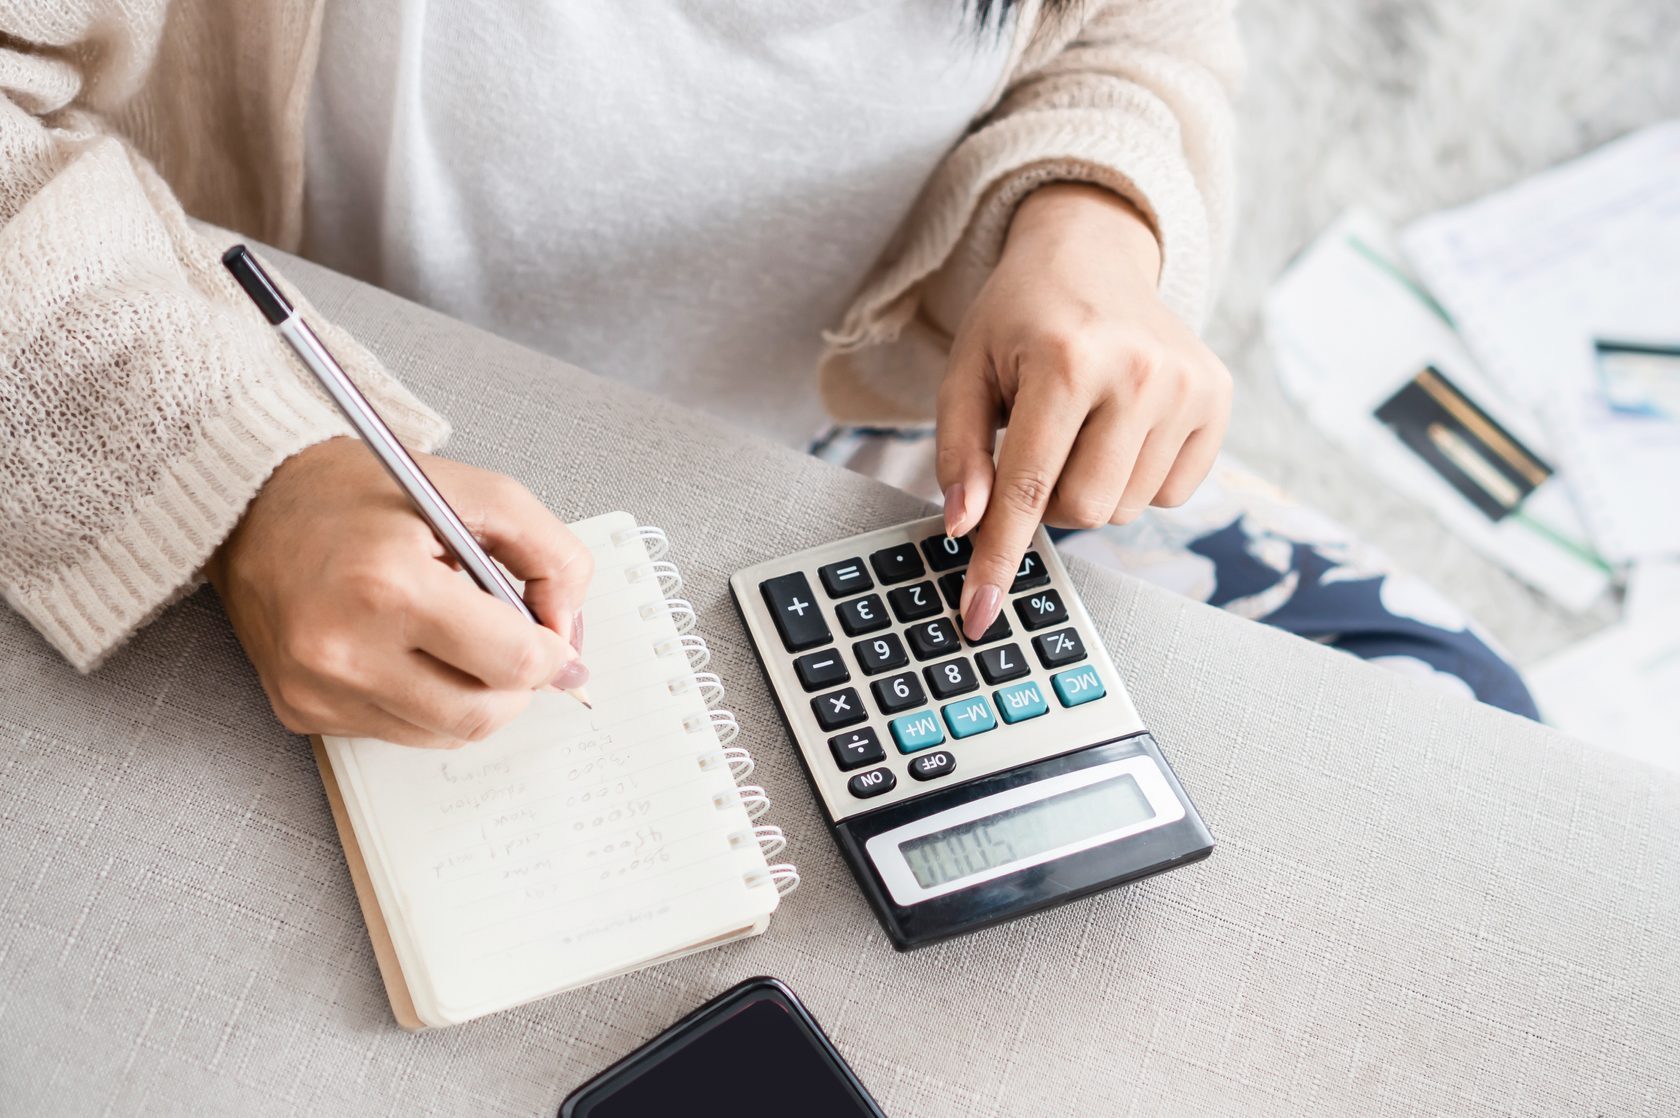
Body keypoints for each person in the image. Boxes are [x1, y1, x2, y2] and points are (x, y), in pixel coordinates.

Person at [0, 0, 1535, 752]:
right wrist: (248, 477)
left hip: (855, 475)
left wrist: (1090, 215)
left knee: (1459, 740)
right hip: (273, 459)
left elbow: (1137, 35)